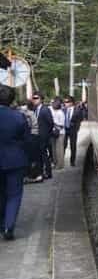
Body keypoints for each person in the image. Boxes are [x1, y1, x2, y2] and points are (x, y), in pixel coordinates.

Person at [0, 84, 30, 240]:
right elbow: (27, 141)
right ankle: (8, 227)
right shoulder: (19, 117)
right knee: (14, 195)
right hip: (15, 161)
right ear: (11, 100)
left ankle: (1, 223)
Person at [32, 91, 54, 180]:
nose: (34, 100)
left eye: (36, 98)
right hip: (36, 136)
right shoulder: (34, 109)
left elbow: (51, 123)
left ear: (41, 99)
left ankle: (48, 173)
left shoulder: (45, 109)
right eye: (33, 98)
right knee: (39, 155)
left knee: (44, 155)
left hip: (43, 136)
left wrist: (46, 134)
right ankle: (40, 172)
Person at [63, 95, 84, 167]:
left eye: (67, 102)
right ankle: (61, 160)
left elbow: (80, 119)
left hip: (73, 130)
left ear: (71, 102)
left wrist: (77, 128)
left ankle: (72, 161)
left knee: (73, 146)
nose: (65, 103)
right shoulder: (63, 109)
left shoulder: (77, 110)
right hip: (65, 130)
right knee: (63, 145)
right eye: (65, 102)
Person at [49, 97, 66, 170]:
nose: (53, 104)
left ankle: (60, 165)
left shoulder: (61, 113)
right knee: (54, 149)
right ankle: (55, 163)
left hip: (60, 133)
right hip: (53, 132)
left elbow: (62, 125)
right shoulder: (52, 111)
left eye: (54, 103)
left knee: (59, 149)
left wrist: (54, 123)